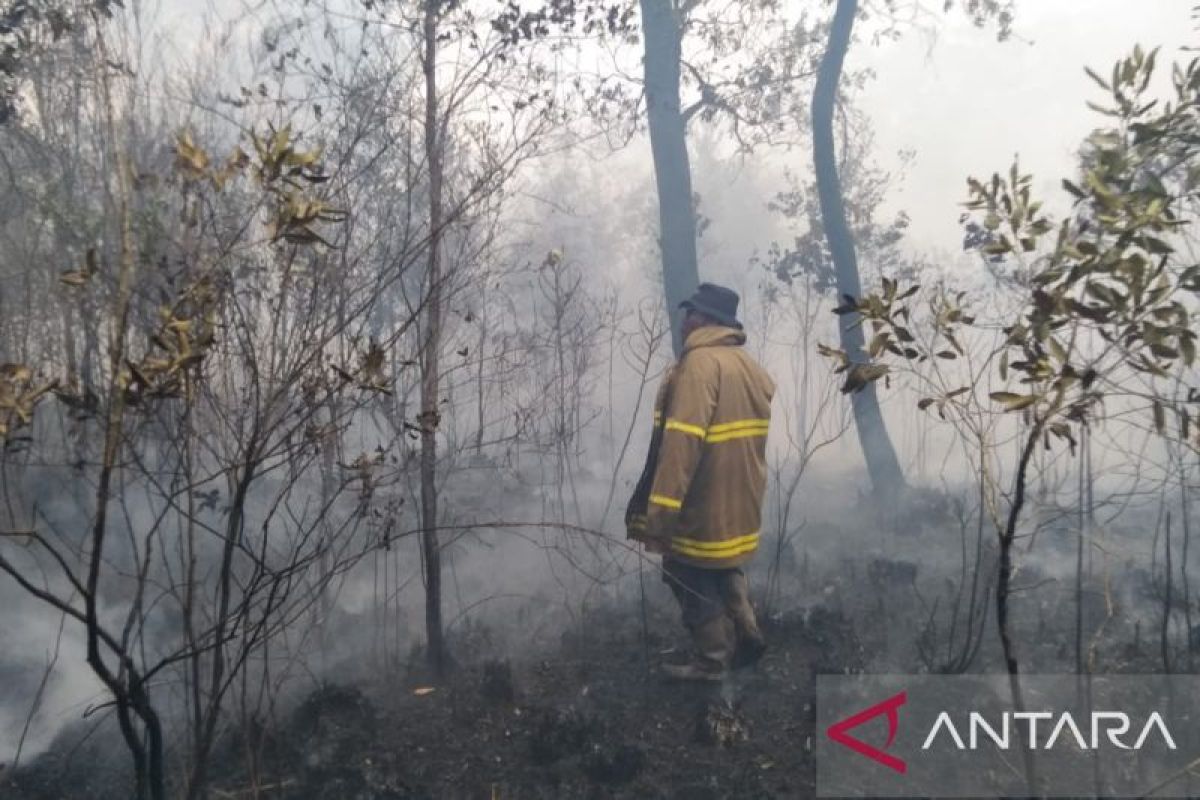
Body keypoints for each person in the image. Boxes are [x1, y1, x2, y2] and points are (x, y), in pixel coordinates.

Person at [625, 282, 775, 682]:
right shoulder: (748, 365)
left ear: (707, 319)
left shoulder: (699, 366)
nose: (683, 321)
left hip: (703, 497)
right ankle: (747, 631)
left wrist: (660, 516)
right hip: (742, 495)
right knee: (725, 563)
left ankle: (712, 660)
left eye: (690, 313)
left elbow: (681, 443)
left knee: (684, 570)